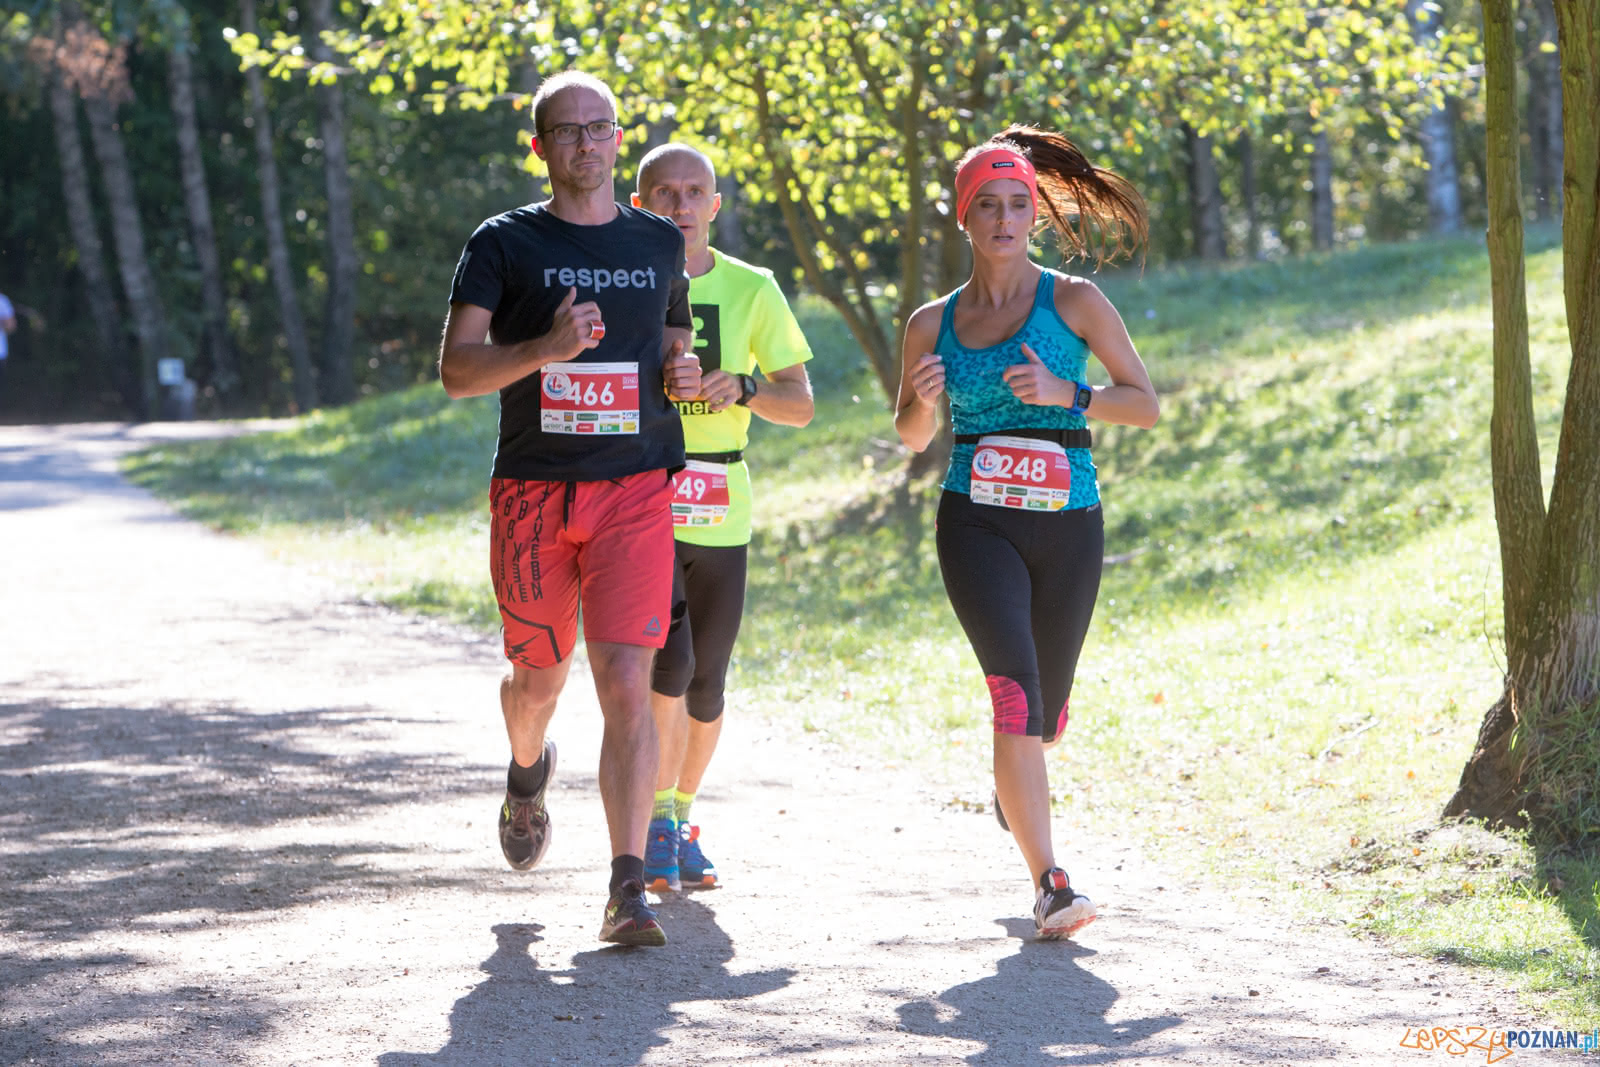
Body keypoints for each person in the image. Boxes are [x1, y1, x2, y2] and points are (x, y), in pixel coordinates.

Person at [438, 71, 702, 947]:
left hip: (635, 486)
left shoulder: (661, 241)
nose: (585, 143)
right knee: (537, 683)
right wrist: (546, 346)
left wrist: (682, 370)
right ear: (541, 145)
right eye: (567, 131)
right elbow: (458, 369)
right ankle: (526, 770)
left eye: (600, 128)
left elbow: (673, 334)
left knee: (626, 680)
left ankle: (628, 887)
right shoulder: (503, 244)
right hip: (534, 491)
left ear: (618, 138)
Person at [894, 124, 1160, 939]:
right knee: (1013, 695)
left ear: (1033, 216)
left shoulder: (1074, 302)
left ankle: (1019, 775)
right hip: (974, 522)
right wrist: (923, 401)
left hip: (1068, 524)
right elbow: (907, 434)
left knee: (1042, 716)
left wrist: (1065, 393)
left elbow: (1143, 403)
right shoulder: (929, 323)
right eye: (990, 207)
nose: (1006, 220)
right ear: (965, 219)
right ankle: (1050, 884)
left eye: (1019, 205)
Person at [629, 144, 816, 893]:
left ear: (715, 205)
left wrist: (742, 386)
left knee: (707, 682)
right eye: (664, 192)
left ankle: (679, 812)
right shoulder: (623, 285)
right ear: (640, 204)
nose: (680, 204)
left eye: (694, 191)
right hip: (644, 494)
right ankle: (653, 826)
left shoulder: (754, 287)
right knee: (665, 666)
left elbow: (799, 403)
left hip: (721, 500)